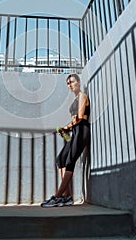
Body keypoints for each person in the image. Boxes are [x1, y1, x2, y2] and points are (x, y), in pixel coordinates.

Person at [41, 73, 90, 207]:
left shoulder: (82, 96)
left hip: (82, 131)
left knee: (69, 162)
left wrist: (68, 126)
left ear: (79, 82)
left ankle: (57, 197)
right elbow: (75, 119)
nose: (70, 85)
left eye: (72, 82)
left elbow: (80, 117)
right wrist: (65, 130)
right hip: (75, 132)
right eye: (68, 83)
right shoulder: (75, 99)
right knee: (60, 159)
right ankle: (66, 196)